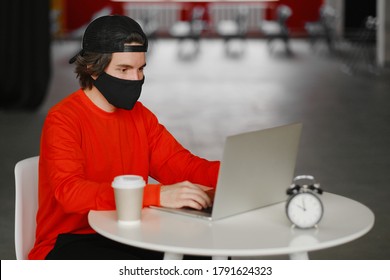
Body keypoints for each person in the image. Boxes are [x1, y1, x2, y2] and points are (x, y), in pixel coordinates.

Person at [29, 15, 220, 260]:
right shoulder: (63, 119)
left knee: (205, 258)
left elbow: (182, 166)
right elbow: (71, 193)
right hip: (70, 241)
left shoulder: (140, 116)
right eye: (124, 69)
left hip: (127, 231)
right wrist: (158, 194)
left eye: (140, 69)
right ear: (92, 68)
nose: (135, 79)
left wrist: (236, 175)